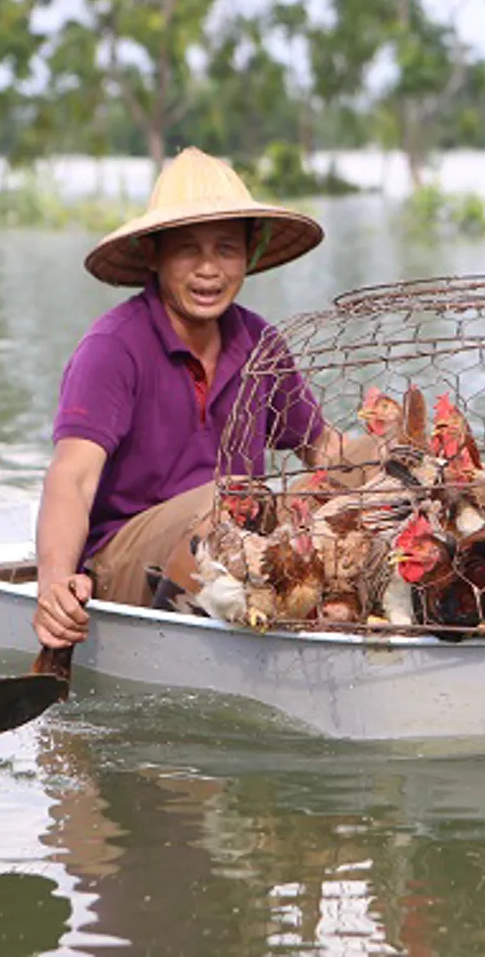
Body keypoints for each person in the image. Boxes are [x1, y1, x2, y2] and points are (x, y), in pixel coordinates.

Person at [33, 147, 344, 649]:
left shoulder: (259, 342)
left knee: (363, 481)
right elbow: (73, 476)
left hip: (236, 543)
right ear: (154, 255)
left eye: (226, 249)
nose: (209, 270)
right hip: (125, 560)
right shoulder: (114, 346)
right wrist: (53, 583)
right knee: (234, 497)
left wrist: (394, 461)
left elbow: (324, 449)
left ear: (249, 254)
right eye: (187, 250)